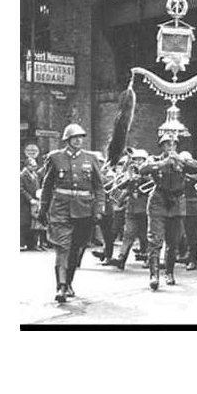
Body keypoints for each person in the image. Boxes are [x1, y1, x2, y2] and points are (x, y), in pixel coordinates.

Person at [38, 124, 105, 303]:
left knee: (76, 248)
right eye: (74, 137)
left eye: (80, 137)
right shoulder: (55, 158)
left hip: (84, 210)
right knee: (62, 247)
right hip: (60, 209)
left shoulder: (91, 158)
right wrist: (43, 208)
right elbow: (47, 185)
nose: (78, 140)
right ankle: (60, 287)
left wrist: (99, 209)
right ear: (67, 139)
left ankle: (68, 283)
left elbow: (99, 187)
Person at [140, 135, 197, 290]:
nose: (171, 147)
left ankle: (169, 272)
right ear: (162, 146)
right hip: (158, 201)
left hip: (176, 203)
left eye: (173, 144)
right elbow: (143, 169)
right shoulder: (155, 159)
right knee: (155, 240)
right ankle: (154, 275)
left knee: (173, 242)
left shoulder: (182, 161)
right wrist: (163, 163)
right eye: (167, 144)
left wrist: (180, 160)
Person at [109, 150, 150, 271]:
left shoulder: (150, 172)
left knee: (145, 236)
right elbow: (121, 187)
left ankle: (148, 258)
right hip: (132, 209)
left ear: (145, 160)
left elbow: (153, 184)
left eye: (140, 160)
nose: (137, 162)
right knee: (128, 234)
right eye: (135, 160)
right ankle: (121, 258)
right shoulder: (130, 174)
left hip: (146, 209)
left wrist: (142, 176)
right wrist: (129, 178)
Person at [20, 157, 40, 251]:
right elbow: (21, 189)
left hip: (34, 201)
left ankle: (31, 244)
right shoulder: (22, 175)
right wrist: (29, 198)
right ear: (27, 166)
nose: (35, 167)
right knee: (24, 224)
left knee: (33, 223)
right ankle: (21, 243)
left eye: (35, 166)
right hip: (24, 203)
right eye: (32, 165)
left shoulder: (35, 175)